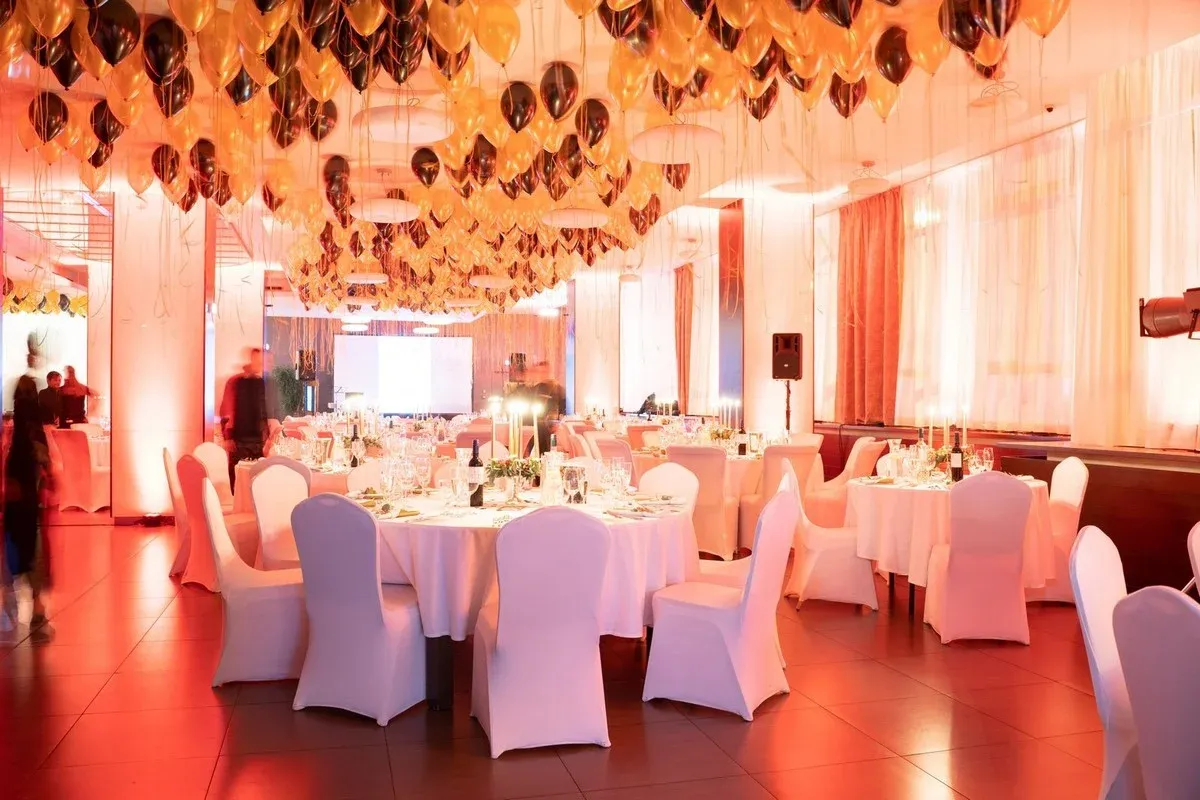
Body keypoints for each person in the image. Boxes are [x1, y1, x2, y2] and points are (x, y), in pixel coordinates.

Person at [3, 338, 55, 637]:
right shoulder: (32, 436)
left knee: (18, 537)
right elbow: (37, 450)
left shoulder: (18, 440)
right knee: (31, 540)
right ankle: (35, 604)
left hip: (19, 487)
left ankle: (20, 598)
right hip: (27, 490)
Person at [220, 347, 269, 490]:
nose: (262, 364)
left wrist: (266, 434)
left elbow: (263, 410)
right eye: (260, 361)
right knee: (237, 479)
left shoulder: (260, 382)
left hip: (257, 441)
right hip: (239, 440)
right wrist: (228, 437)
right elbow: (226, 410)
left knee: (257, 480)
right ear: (252, 359)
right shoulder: (235, 381)